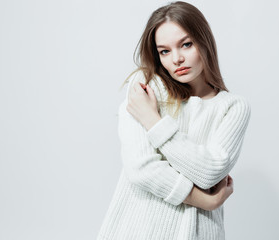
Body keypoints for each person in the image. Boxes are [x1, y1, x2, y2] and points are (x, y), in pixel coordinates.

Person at [96, 1, 251, 239]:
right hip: (136, 231)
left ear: (204, 41)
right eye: (164, 51)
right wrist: (204, 200)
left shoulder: (232, 107)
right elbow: (141, 169)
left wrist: (152, 121)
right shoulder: (146, 87)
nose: (176, 59)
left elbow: (210, 172)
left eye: (186, 44)